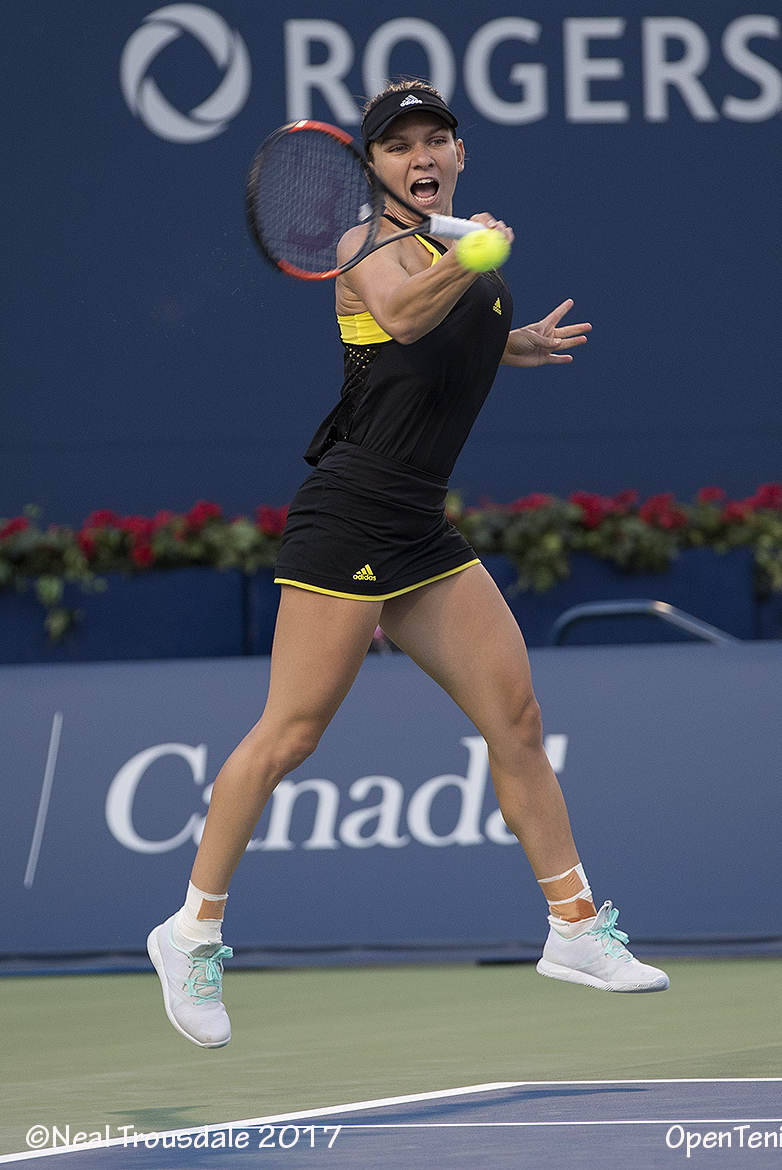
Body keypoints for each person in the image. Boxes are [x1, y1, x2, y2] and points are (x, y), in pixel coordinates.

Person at [148, 79, 668, 1050]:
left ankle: (573, 928)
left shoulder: (448, 240)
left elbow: (443, 345)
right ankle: (190, 934)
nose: (420, 156)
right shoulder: (366, 246)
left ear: (460, 153)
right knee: (290, 735)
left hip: (420, 526)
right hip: (350, 517)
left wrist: (513, 341)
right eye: (398, 146)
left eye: (436, 139)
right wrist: (470, 260)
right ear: (372, 167)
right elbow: (402, 319)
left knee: (516, 719)